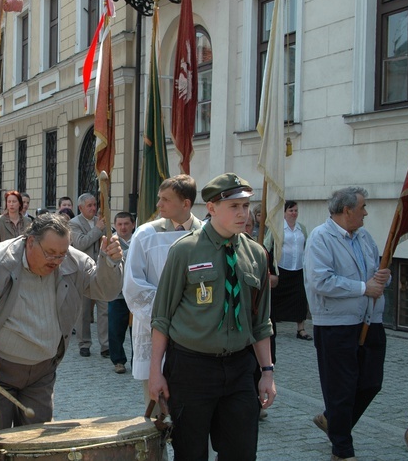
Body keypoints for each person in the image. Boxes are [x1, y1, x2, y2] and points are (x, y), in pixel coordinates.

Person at [150, 173, 275, 461]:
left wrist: (267, 372)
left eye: (245, 206)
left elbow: (261, 322)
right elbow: (162, 317)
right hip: (191, 369)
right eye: (234, 207)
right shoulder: (185, 250)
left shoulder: (257, 255)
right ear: (212, 208)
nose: (243, 214)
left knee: (241, 453)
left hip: (240, 369)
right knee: (190, 453)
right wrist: (156, 370)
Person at [0, 213, 123, 430]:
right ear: (30, 242)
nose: (56, 261)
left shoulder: (72, 261)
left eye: (62, 254)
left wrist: (110, 263)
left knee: (38, 447)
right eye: (50, 253)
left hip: (42, 372)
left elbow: (104, 289)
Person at [304, 186, 390, 461]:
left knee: (370, 382)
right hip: (336, 324)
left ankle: (333, 420)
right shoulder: (321, 237)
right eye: (363, 207)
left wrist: (381, 277)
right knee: (340, 389)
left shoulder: (364, 236)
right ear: (347, 210)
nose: (366, 212)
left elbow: (373, 272)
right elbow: (321, 281)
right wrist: (364, 288)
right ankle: (342, 450)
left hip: (370, 319)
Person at [123, 175, 203, 411]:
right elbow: (133, 284)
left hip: (196, 332)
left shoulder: (207, 234)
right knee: (158, 409)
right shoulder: (146, 235)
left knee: (194, 408)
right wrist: (168, 312)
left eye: (165, 200)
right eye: (159, 198)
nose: (159, 205)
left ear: (185, 204)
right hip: (153, 328)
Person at [69, 193, 109, 357]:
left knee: (104, 309)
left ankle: (106, 345)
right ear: (80, 208)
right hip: (83, 271)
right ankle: (84, 343)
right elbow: (81, 243)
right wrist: (98, 229)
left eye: (94, 205)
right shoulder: (74, 223)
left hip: (102, 270)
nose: (93, 208)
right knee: (84, 311)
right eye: (89, 206)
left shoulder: (102, 220)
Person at [265, 200, 311, 340]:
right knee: (276, 298)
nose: (294, 213)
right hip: (281, 269)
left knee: (300, 299)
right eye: (291, 210)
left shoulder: (301, 228)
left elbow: (307, 246)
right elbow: (267, 246)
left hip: (298, 269)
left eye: (296, 210)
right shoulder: (277, 228)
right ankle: (272, 327)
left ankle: (301, 329)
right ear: (284, 213)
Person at [109, 211, 135, 374]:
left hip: (136, 292)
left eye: (126, 224)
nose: (123, 227)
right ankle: (118, 360)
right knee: (115, 328)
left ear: (133, 224)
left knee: (137, 331)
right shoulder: (111, 242)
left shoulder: (140, 240)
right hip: (116, 292)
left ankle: (137, 360)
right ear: (115, 225)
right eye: (119, 224)